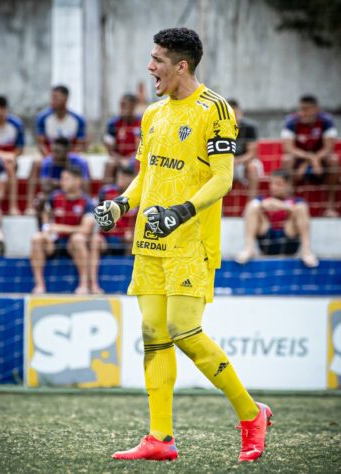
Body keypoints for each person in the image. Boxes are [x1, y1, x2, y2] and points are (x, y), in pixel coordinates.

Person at [94, 27, 272, 463]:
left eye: (156, 60)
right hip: (150, 241)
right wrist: (121, 205)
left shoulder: (216, 109)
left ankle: (252, 415)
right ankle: (160, 438)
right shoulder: (153, 114)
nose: (150, 67)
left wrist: (181, 212)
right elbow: (147, 175)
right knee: (154, 335)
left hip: (190, 239)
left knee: (184, 332)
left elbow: (223, 178)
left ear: (181, 66)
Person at [30, 167, 99, 295]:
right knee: (36, 238)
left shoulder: (87, 202)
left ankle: (83, 285)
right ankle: (39, 285)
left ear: (77, 181)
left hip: (73, 245)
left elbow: (85, 230)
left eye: (66, 179)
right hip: (55, 242)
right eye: (62, 179)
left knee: (78, 239)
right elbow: (46, 215)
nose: (62, 182)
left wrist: (61, 228)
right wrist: (46, 230)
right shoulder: (54, 197)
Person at [235, 169, 318, 267]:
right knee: (252, 206)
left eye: (278, 184)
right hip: (266, 240)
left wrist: (283, 206)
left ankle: (306, 251)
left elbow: (300, 208)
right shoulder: (263, 199)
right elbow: (253, 206)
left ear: (287, 185)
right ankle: (248, 248)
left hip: (289, 239)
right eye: (272, 184)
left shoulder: (296, 200)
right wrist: (262, 205)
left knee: (301, 208)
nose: (274, 187)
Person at [25, 85, 87, 214]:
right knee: (36, 163)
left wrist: (67, 157)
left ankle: (87, 203)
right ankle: (29, 205)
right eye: (52, 97)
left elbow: (81, 144)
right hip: (50, 156)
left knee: (82, 163)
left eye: (56, 98)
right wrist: (52, 157)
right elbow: (40, 143)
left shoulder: (78, 119)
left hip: (69, 156)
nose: (52, 101)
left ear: (65, 99)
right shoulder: (43, 118)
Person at [281, 95, 339, 217]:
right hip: (300, 160)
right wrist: (309, 160)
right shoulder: (291, 121)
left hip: (321, 160)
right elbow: (288, 148)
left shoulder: (326, 120)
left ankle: (330, 206)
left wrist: (314, 160)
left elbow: (329, 148)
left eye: (307, 109)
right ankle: (289, 202)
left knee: (333, 160)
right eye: (301, 109)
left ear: (316, 109)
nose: (303, 113)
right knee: (287, 160)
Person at [96, 163, 137, 255]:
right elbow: (99, 218)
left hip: (127, 237)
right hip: (106, 235)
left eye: (124, 177)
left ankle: (127, 267)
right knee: (96, 241)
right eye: (119, 176)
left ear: (132, 179)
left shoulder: (137, 196)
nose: (120, 179)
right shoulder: (106, 192)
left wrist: (131, 233)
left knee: (134, 240)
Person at [228, 99, 263, 201]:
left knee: (253, 167)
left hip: (245, 162)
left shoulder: (249, 127)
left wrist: (237, 161)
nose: (235, 117)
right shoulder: (219, 127)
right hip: (227, 162)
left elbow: (252, 154)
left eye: (236, 113)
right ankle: (220, 212)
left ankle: (251, 205)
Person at [103, 93, 141, 182]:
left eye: (125, 105)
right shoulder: (113, 123)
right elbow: (110, 149)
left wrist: (130, 159)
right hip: (118, 157)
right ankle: (107, 192)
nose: (122, 108)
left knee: (137, 164)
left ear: (133, 106)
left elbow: (142, 147)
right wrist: (121, 159)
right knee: (109, 164)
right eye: (121, 105)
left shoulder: (142, 122)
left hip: (135, 157)